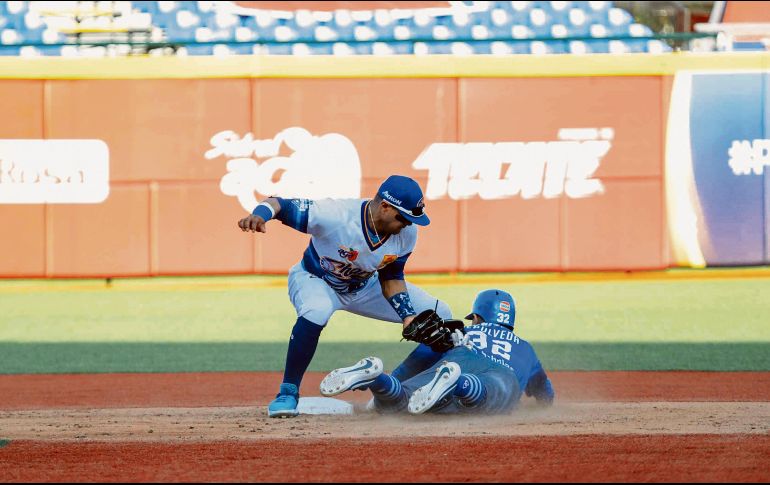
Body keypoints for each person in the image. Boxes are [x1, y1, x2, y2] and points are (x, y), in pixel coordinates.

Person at [238, 175, 452, 418]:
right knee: (316, 311)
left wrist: (408, 316)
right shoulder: (336, 215)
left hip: (365, 286)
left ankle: (395, 386)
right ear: (384, 207)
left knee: (441, 314)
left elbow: (391, 276)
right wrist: (260, 214)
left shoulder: (406, 234)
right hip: (316, 280)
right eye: (403, 218)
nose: (407, 224)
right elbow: (280, 204)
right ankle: (288, 392)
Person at [319, 289, 555, 415]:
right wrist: (543, 406)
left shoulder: (460, 333)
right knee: (493, 399)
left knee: (402, 404)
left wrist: (383, 395)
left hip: (459, 355)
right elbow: (545, 393)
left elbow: (416, 362)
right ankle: (459, 383)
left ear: (477, 317)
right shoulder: (525, 347)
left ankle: (376, 378)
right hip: (500, 376)